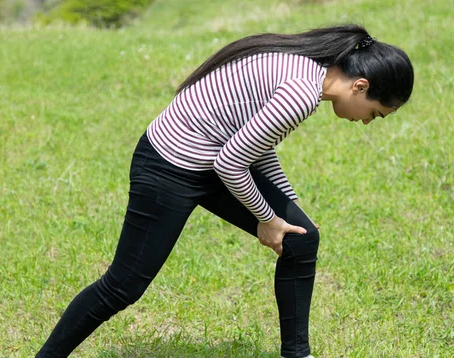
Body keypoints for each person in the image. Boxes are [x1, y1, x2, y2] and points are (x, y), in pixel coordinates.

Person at [36, 23, 414, 358]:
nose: (366, 122)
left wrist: (290, 204)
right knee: (122, 287)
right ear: (360, 85)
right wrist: (267, 220)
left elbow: (256, 146)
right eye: (375, 113)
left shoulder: (308, 71)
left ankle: (297, 355)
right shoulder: (302, 90)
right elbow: (232, 163)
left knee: (301, 238)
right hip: (170, 168)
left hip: (210, 161)